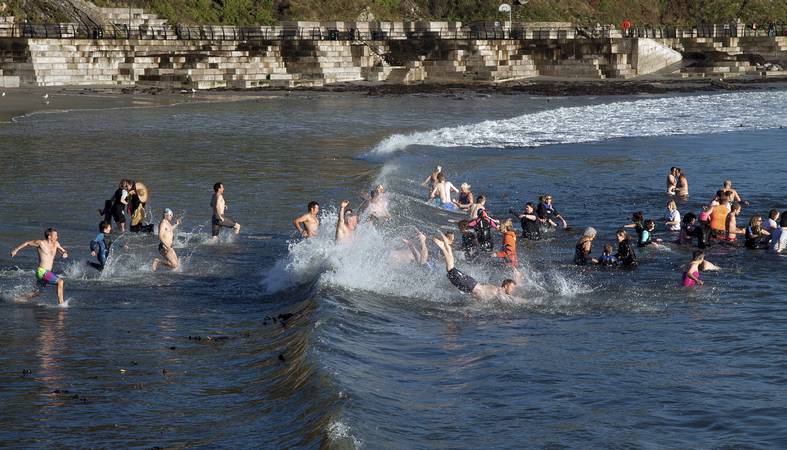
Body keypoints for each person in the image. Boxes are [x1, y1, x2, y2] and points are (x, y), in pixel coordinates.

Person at [433, 231, 516, 301]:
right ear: (506, 286)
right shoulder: (500, 291)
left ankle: (445, 245)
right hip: (470, 284)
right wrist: (526, 302)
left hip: (470, 285)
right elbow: (510, 301)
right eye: (512, 288)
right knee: (451, 268)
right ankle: (443, 246)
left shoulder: (495, 289)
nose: (513, 290)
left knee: (451, 267)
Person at [9, 227, 68, 304]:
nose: (57, 237)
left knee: (37, 292)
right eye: (55, 235)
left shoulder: (56, 244)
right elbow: (27, 243)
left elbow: (64, 251)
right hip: (42, 271)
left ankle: (16, 299)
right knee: (60, 281)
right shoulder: (41, 243)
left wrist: (65, 254)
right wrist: (16, 250)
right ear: (49, 236)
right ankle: (61, 303)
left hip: (47, 272)